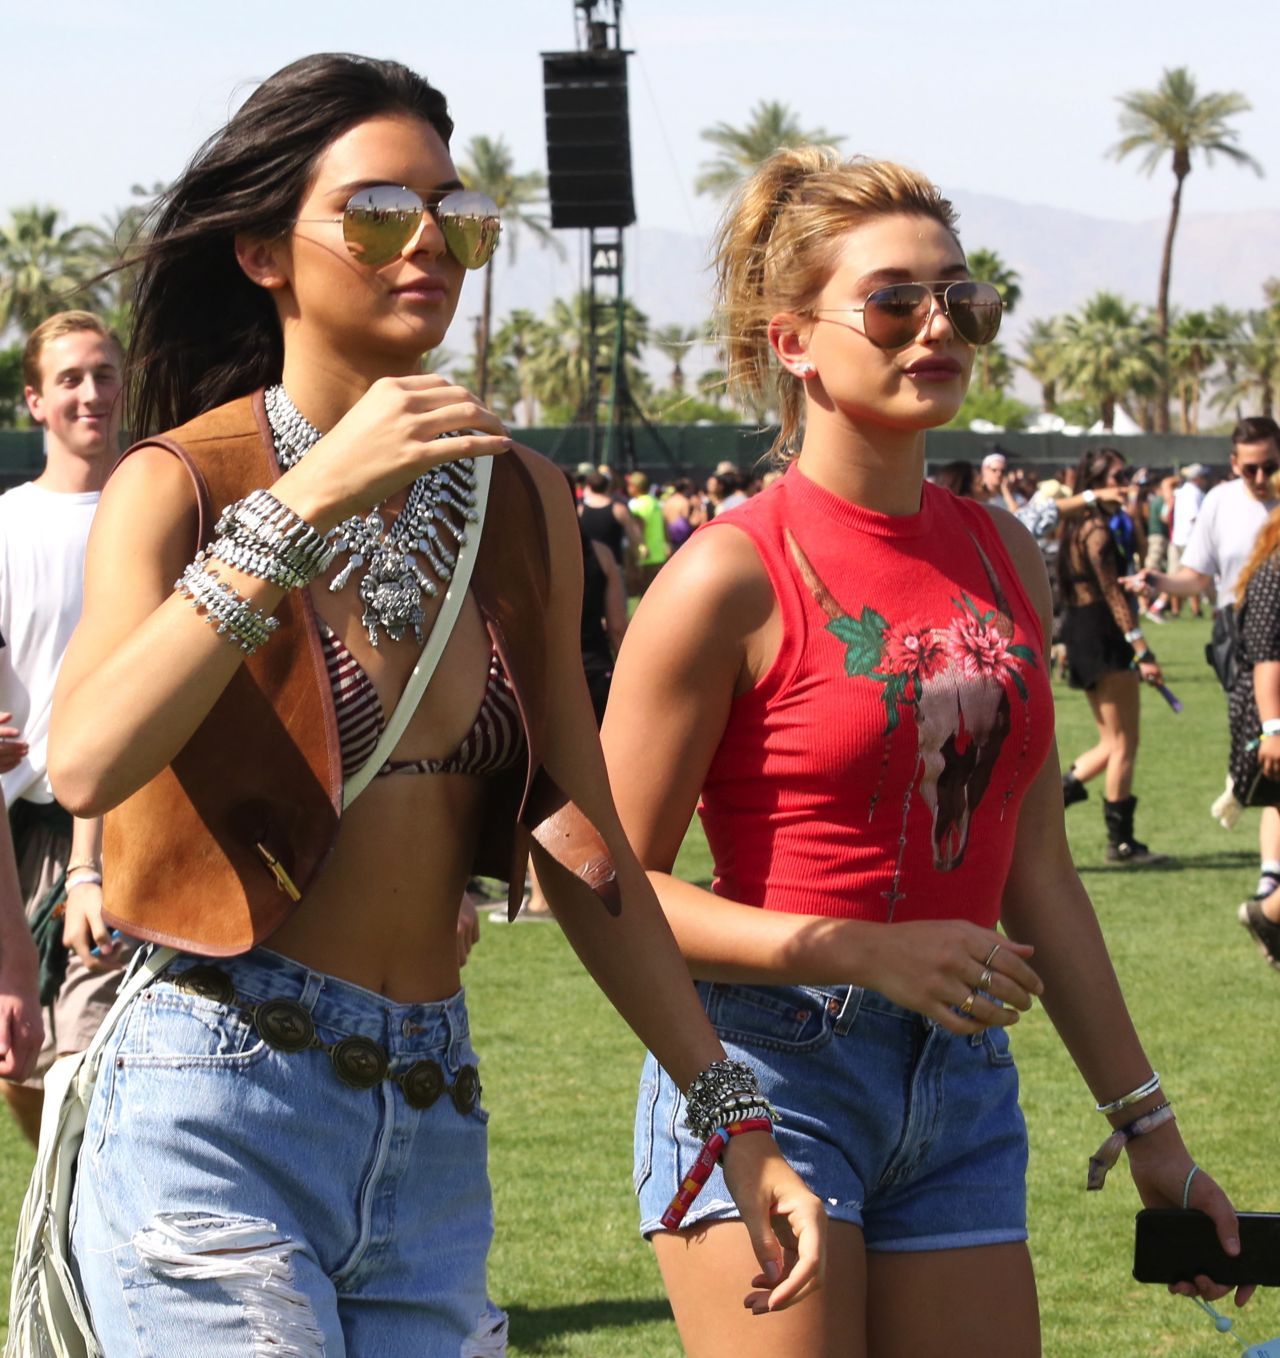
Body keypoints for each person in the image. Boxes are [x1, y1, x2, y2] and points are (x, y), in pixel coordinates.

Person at [46, 55, 823, 1355]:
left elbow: (585, 843)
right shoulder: (179, 481)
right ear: (262, 253)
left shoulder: (522, 499)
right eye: (375, 213)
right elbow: (84, 760)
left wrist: (730, 1113)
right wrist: (298, 508)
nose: (428, 245)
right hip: (211, 1102)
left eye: (456, 216)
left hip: (432, 1117)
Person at [600, 147, 1246, 1358]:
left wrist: (1147, 1125)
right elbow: (602, 887)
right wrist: (859, 946)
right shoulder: (726, 573)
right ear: (793, 341)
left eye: (962, 298)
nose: (936, 326)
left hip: (960, 1081)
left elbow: (1036, 870)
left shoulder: (1002, 551)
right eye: (893, 302)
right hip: (763, 1073)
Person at [0, 311, 132, 1146]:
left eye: (104, 374)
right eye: (70, 379)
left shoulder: (155, 509)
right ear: (35, 401)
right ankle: (61, 1197)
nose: (91, 394)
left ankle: (77, 1207)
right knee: (21, 1063)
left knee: (88, 1059)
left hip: (116, 822)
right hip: (13, 828)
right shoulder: (7, 524)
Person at [1127, 420, 1280, 901]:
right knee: (1271, 751)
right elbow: (1195, 578)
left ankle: (1270, 877)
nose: (1261, 478)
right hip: (1244, 644)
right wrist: (1156, 581)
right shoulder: (1219, 502)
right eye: (1250, 468)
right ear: (1233, 464)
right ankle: (1271, 878)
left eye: (1270, 466)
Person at [1058, 448, 1167, 865]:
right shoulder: (1097, 531)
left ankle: (1056, 795)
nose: (1125, 484)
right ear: (1096, 483)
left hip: (1084, 632)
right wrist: (1143, 649)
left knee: (1111, 741)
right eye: (1117, 477)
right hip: (1103, 634)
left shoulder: (1078, 528)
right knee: (1124, 742)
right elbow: (1113, 596)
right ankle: (1121, 843)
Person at [1228, 505, 1280, 966]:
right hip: (1272, 715)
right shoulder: (1273, 574)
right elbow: (1267, 660)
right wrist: (1273, 729)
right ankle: (1268, 912)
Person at [1168, 463, 1210, 617]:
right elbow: (1195, 518)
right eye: (1203, 476)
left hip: (1177, 539)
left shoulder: (1180, 492)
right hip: (1190, 540)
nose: (1205, 479)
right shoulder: (1195, 493)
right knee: (1193, 575)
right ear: (1197, 478)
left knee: (1174, 575)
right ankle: (1195, 609)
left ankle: (1175, 610)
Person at [627, 470, 671, 594]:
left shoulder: (637, 505)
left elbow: (638, 528)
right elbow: (664, 524)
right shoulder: (655, 502)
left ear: (634, 487)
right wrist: (667, 544)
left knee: (644, 593)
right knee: (657, 592)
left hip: (645, 555)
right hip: (659, 553)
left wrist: (640, 547)